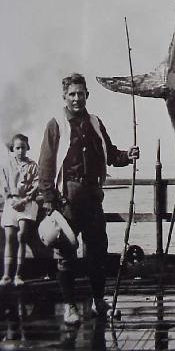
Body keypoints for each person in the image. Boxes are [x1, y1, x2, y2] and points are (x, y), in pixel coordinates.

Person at [38, 73, 139, 325]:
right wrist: (50, 202)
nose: (76, 98)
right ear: (64, 97)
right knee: (66, 257)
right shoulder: (56, 125)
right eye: (71, 94)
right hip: (66, 202)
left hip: (93, 199)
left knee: (97, 253)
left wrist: (128, 155)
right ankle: (70, 306)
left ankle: (98, 301)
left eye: (80, 93)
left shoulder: (95, 122)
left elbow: (110, 154)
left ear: (87, 95)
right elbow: (46, 166)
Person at [0, 134, 39, 286]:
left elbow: (36, 186)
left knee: (22, 235)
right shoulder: (6, 165)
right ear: (13, 149)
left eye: (23, 147)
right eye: (17, 148)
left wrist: (24, 200)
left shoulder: (33, 165)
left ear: (27, 148)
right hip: (11, 202)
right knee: (9, 237)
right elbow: (3, 186)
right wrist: (12, 199)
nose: (20, 151)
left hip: (27, 203)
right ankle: (6, 275)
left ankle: (18, 275)